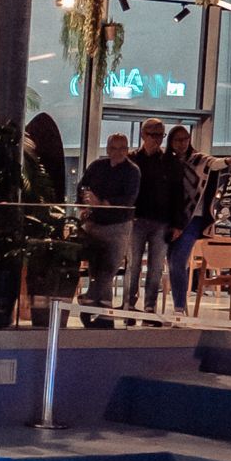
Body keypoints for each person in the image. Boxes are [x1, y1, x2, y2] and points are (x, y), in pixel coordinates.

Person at [77, 131, 141, 326]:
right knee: (96, 270)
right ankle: (105, 316)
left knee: (108, 269)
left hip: (118, 227)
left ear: (128, 150)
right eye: (114, 148)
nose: (118, 152)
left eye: (122, 148)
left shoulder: (132, 171)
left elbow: (128, 199)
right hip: (94, 225)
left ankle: (87, 300)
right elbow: (82, 186)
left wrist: (102, 203)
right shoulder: (97, 166)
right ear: (107, 148)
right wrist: (85, 203)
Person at [124, 117, 186, 314]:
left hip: (162, 221)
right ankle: (129, 303)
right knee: (133, 265)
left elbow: (178, 194)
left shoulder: (170, 162)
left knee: (156, 267)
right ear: (143, 135)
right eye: (153, 135)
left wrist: (177, 224)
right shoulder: (132, 159)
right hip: (137, 218)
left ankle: (150, 306)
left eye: (161, 135)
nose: (157, 140)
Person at [166, 124, 217, 313]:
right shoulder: (168, 164)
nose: (182, 143)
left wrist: (229, 162)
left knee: (178, 260)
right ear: (171, 142)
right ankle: (179, 304)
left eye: (186, 139)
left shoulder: (198, 160)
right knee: (172, 261)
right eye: (178, 140)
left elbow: (214, 163)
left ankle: (179, 307)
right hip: (170, 220)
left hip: (193, 218)